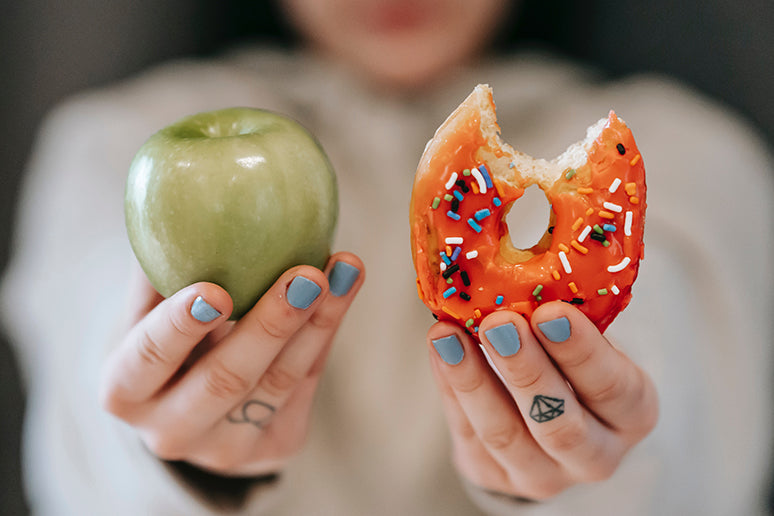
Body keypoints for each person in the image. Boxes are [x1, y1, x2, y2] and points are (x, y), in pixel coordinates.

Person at [2, 0, 773, 514]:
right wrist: (167, 453)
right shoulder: (107, 144)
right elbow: (86, 372)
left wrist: (596, 470)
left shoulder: (696, 155)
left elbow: (687, 400)